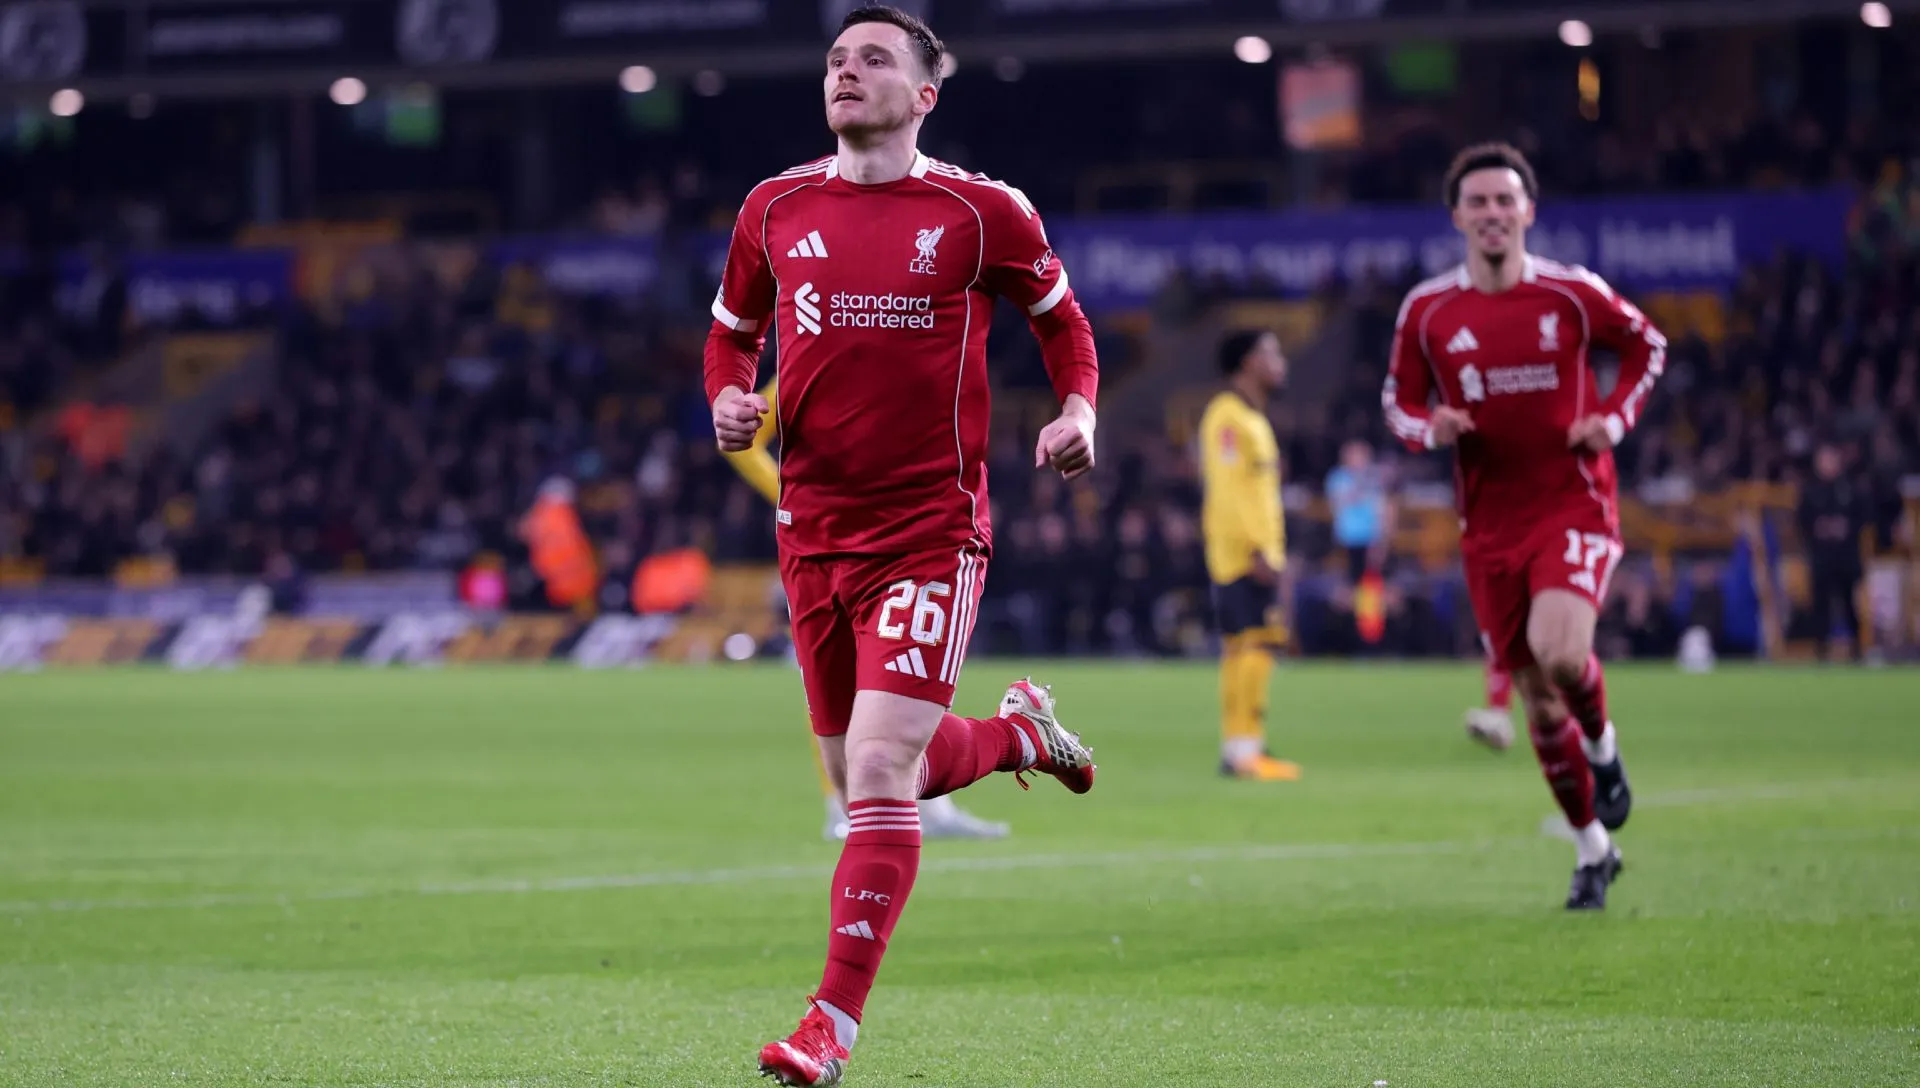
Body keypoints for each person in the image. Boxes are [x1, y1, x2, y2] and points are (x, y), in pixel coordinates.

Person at [704, 8, 1101, 1084]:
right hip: (812, 531)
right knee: (872, 775)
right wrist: (728, 400)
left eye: (874, 58)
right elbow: (732, 333)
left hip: (930, 528)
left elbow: (1064, 322)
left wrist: (1079, 411)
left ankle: (831, 1024)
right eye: (836, 58)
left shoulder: (980, 212)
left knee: (878, 769)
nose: (846, 71)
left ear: (926, 93)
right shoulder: (773, 207)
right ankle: (1020, 735)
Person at [1382, 141, 1667, 911]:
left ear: (1528, 212)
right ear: (1457, 218)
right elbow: (1397, 404)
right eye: (1478, 203)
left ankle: (1605, 752)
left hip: (1573, 504)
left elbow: (1648, 345)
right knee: (1540, 703)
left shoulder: (1571, 295)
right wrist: (1428, 427)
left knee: (1559, 651)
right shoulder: (1429, 311)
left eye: (1505, 200)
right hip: (1490, 526)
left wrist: (1613, 416)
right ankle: (1592, 850)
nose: (1492, 214)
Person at [722, 376, 1012, 841]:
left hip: (899, 537)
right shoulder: (814, 350)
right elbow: (743, 441)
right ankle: (841, 807)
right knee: (833, 677)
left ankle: (929, 804)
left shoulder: (901, 336)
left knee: (910, 668)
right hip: (824, 540)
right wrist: (792, 493)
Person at [1198, 330, 1301, 781]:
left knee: (1244, 647)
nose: (1281, 360)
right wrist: (1258, 550)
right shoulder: (1228, 417)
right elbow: (1229, 491)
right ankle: (1244, 753)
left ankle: (1241, 749)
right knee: (1255, 645)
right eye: (1271, 352)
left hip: (1250, 552)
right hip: (1243, 555)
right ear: (1246, 362)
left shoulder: (1250, 419)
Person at [1796, 442, 1869, 662]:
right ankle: (1821, 649)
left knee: (1849, 602)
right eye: (1823, 460)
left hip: (1846, 556)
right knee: (1821, 604)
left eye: (1830, 459)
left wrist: (1844, 527)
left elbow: (1864, 517)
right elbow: (1802, 520)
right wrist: (1819, 527)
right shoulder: (1810, 490)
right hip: (1822, 557)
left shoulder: (1850, 488)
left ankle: (1858, 648)